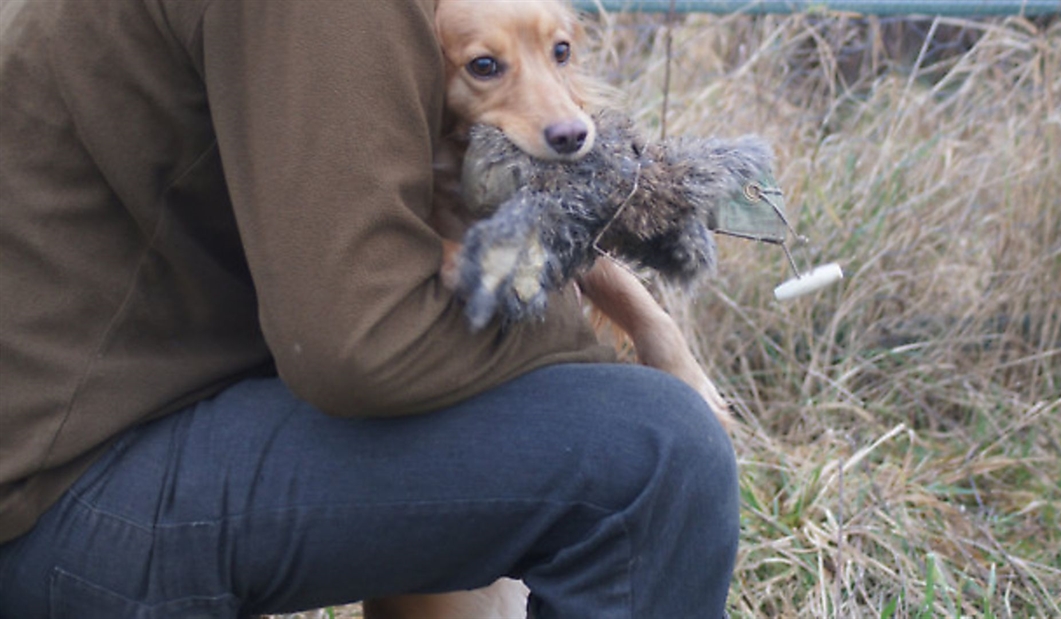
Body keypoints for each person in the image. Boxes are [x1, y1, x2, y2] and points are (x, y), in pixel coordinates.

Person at [0, 0, 740, 617]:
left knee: (504, 418)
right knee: (655, 451)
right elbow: (364, 345)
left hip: (76, 443)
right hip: (65, 496)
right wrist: (576, 333)